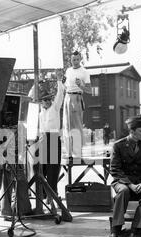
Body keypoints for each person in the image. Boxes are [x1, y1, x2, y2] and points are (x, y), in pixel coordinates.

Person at [38, 70, 65, 206]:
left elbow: (60, 95)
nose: (47, 101)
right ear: (41, 102)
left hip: (54, 139)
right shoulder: (40, 112)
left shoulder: (55, 107)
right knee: (43, 169)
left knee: (53, 169)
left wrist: (59, 80)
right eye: (44, 100)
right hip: (43, 139)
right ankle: (44, 194)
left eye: (49, 99)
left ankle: (52, 195)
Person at [63, 51, 91, 158]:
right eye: (73, 59)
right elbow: (66, 86)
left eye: (77, 59)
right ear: (71, 60)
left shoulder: (84, 72)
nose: (75, 61)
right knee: (67, 126)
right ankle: (69, 152)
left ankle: (77, 152)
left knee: (76, 125)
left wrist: (81, 85)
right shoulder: (68, 70)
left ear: (80, 59)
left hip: (77, 97)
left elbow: (89, 90)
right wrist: (61, 82)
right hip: (67, 97)